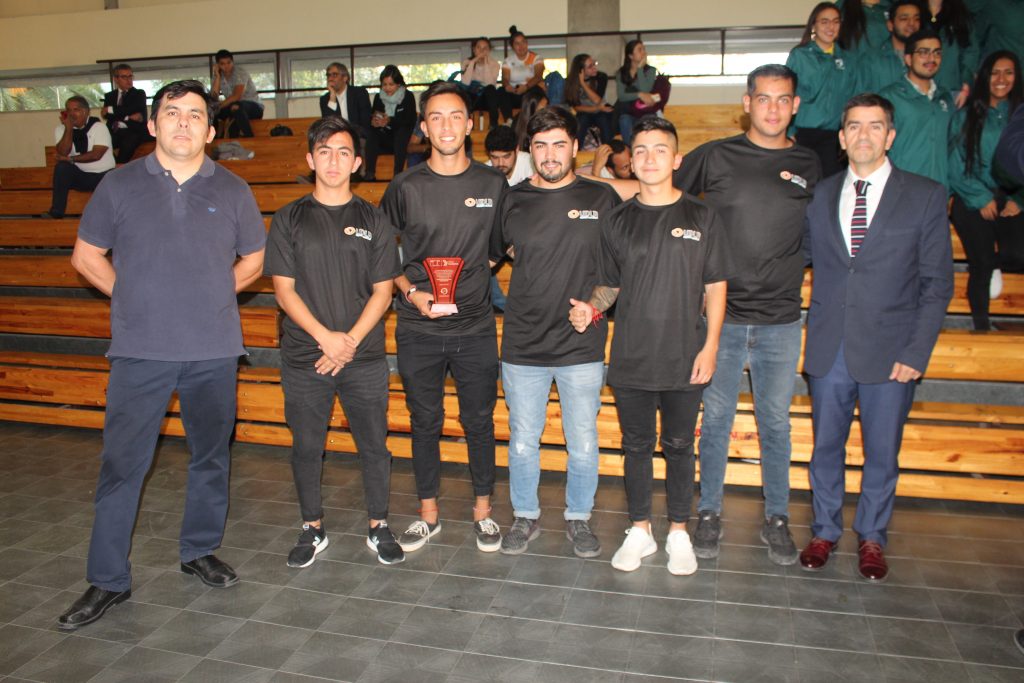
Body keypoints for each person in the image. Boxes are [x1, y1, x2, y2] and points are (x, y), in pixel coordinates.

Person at [58, 80, 266, 630]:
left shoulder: (235, 189)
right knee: (123, 467)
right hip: (141, 350)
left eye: (195, 115)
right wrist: (132, 295)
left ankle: (198, 549)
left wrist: (213, 294)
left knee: (210, 457)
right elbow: (86, 256)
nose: (182, 123)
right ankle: (108, 580)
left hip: (214, 350)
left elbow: (254, 260)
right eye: (171, 113)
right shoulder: (119, 186)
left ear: (211, 130)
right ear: (152, 125)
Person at [800, 93, 953, 582]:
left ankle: (871, 538)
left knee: (882, 452)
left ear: (890, 136)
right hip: (830, 347)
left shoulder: (926, 195)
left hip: (892, 352)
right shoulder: (821, 195)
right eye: (854, 127)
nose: (863, 135)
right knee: (826, 447)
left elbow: (937, 284)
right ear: (841, 138)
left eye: (875, 126)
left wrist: (916, 352)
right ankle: (824, 530)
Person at [570, 117, 731, 576]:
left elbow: (717, 287)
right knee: (636, 446)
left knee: (680, 446)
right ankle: (640, 530)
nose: (649, 158)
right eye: (640, 151)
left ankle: (679, 532)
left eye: (660, 150)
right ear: (631, 161)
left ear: (677, 159)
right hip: (632, 357)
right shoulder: (617, 219)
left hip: (686, 354)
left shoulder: (702, 216)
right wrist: (590, 310)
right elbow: (609, 285)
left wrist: (712, 346)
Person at [677, 65, 822, 565]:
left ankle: (777, 518)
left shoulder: (810, 163)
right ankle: (710, 514)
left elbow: (817, 235)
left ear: (795, 105)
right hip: (723, 319)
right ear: (747, 102)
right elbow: (663, 193)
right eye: (764, 99)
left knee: (774, 423)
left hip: (782, 319)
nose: (774, 108)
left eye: (783, 100)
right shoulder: (717, 154)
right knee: (715, 419)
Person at [265, 117, 404, 567]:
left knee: (374, 446)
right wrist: (326, 339)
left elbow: (384, 290)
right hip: (306, 356)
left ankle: (378, 525)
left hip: (362, 358)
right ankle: (312, 527)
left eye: (343, 152)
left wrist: (348, 343)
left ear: (357, 162)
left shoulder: (373, 217)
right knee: (307, 445)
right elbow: (284, 290)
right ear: (310, 159)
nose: (333, 160)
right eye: (324, 151)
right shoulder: (288, 218)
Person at [381, 81, 508, 553]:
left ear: (470, 123)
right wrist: (412, 292)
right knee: (424, 421)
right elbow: (381, 256)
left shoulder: (492, 184)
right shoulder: (405, 185)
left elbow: (498, 250)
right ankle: (428, 515)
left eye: (455, 115)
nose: (446, 125)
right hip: (417, 327)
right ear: (423, 126)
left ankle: (483, 514)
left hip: (475, 327)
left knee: (479, 421)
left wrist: (471, 281)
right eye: (436, 117)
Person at [490, 106, 620, 557]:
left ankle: (579, 518)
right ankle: (524, 515)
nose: (549, 154)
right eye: (540, 145)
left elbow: (618, 272)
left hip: (581, 345)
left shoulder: (601, 199)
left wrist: (595, 307)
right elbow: (493, 255)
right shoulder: (512, 199)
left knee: (582, 441)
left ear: (574, 147)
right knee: (523, 440)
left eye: (558, 144)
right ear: (529, 150)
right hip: (522, 345)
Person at [948, 51, 1023, 330]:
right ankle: (982, 327)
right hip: (972, 197)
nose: (1001, 79)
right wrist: (980, 197)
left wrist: (1018, 199)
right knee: (981, 261)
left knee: (1018, 255)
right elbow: (954, 163)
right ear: (984, 77)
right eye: (995, 72)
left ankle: (994, 264)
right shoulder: (966, 116)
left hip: (1012, 197)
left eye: (1009, 72)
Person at [787, 2, 857, 177]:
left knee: (831, 189)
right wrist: (789, 132)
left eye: (835, 21)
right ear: (814, 25)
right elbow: (787, 93)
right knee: (802, 186)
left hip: (834, 137)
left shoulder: (847, 59)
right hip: (803, 135)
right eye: (824, 21)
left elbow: (853, 99)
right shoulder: (800, 55)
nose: (830, 27)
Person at [880, 27, 955, 186]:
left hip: (938, 190)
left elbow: (952, 149)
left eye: (937, 52)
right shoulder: (890, 97)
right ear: (908, 59)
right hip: (901, 190)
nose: (931, 58)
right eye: (923, 52)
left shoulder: (945, 98)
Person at [44, 96, 115, 219]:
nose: (71, 114)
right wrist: (69, 129)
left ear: (86, 112)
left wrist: (71, 159)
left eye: (75, 110)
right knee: (62, 168)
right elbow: (63, 152)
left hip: (103, 177)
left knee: (113, 178)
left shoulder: (99, 127)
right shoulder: (61, 129)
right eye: (68, 110)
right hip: (81, 175)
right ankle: (57, 211)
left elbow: (96, 155)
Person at [319, 62, 379, 181]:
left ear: (345, 78)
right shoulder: (325, 99)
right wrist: (332, 96)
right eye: (328, 75)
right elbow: (328, 123)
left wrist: (348, 132)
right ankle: (322, 177)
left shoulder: (359, 93)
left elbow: (365, 119)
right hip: (336, 135)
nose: (330, 78)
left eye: (334, 75)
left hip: (359, 131)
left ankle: (365, 175)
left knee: (363, 138)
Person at [858, 0, 923, 92]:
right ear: (890, 25)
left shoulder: (927, 58)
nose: (911, 23)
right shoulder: (871, 61)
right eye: (904, 19)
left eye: (916, 19)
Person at [926, 0, 979, 108]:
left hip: (952, 91)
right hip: (917, 90)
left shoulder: (961, 16)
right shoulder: (911, 11)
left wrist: (966, 86)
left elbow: (970, 53)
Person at [371, 65, 417, 177]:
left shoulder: (408, 96)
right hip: (385, 134)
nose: (387, 88)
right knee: (372, 133)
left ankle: (398, 173)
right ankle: (369, 173)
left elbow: (410, 120)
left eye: (391, 84)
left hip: (402, 136)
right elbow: (374, 114)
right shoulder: (378, 97)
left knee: (401, 132)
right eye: (384, 85)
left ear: (398, 84)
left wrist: (390, 121)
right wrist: (375, 122)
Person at [102, 63, 152, 164]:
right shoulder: (109, 96)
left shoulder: (139, 94)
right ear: (116, 79)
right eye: (124, 77)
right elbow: (106, 115)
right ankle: (113, 165)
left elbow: (131, 108)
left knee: (130, 139)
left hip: (133, 130)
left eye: (130, 76)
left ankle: (120, 165)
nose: (128, 80)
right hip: (114, 130)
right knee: (101, 141)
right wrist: (128, 116)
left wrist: (111, 110)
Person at [212, 49, 264, 138]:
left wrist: (219, 106)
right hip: (234, 108)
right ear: (218, 65)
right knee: (211, 112)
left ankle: (250, 137)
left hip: (253, 107)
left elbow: (236, 96)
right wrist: (217, 77)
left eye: (229, 63)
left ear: (233, 62)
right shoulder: (219, 76)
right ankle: (215, 139)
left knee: (236, 106)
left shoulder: (240, 72)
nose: (227, 66)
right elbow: (213, 98)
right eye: (223, 64)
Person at [614, 40, 658, 145]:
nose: (644, 52)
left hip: (645, 111)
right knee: (624, 120)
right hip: (628, 111)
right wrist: (639, 95)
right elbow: (621, 96)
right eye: (639, 49)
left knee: (647, 121)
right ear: (630, 56)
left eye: (644, 49)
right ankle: (629, 151)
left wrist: (640, 69)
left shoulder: (650, 71)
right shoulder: (621, 73)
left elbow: (645, 89)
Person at [565, 53, 613, 146]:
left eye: (594, 64)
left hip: (601, 111)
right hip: (585, 112)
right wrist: (582, 82)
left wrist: (583, 84)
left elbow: (597, 100)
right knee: (581, 121)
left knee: (604, 119)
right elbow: (576, 107)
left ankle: (609, 152)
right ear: (581, 70)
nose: (594, 68)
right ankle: (576, 152)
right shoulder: (570, 82)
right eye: (590, 66)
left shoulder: (601, 77)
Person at [500, 25, 546, 122]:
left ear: (527, 43)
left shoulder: (536, 58)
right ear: (512, 47)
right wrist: (508, 86)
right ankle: (508, 121)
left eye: (523, 42)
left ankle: (532, 119)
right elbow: (505, 78)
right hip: (515, 92)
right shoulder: (508, 61)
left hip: (530, 90)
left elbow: (538, 76)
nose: (521, 46)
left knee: (536, 90)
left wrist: (526, 87)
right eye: (517, 44)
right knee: (501, 91)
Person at [462, 37, 501, 129]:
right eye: (479, 47)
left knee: (490, 89)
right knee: (464, 93)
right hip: (472, 98)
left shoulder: (494, 64)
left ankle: (493, 124)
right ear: (474, 49)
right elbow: (465, 83)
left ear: (489, 50)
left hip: (487, 99)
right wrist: (473, 62)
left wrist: (486, 63)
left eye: (485, 48)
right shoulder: (467, 62)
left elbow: (489, 83)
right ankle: (466, 125)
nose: (481, 50)